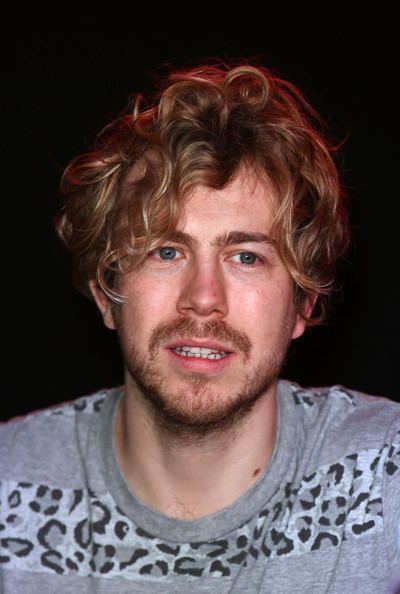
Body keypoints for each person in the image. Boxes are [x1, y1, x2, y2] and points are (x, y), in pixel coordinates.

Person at [0, 60, 399, 594]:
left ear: (301, 304)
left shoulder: (385, 477)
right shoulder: (8, 487)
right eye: (166, 251)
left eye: (247, 257)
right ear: (105, 293)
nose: (204, 299)